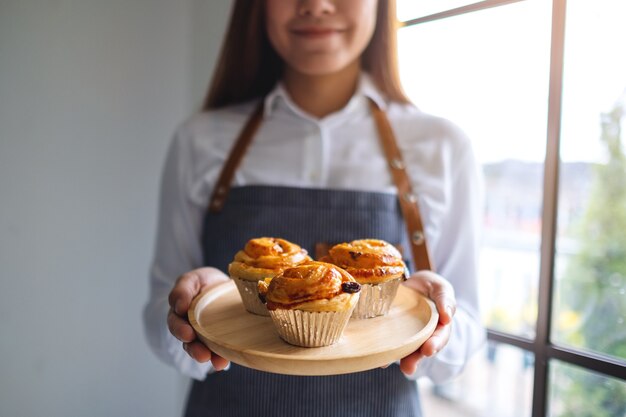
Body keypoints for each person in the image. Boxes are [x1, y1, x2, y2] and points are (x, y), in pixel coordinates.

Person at [143, 0, 485, 416]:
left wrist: (435, 323)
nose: (317, 5)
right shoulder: (201, 139)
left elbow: (467, 332)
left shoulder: (441, 146)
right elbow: (158, 316)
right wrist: (190, 314)